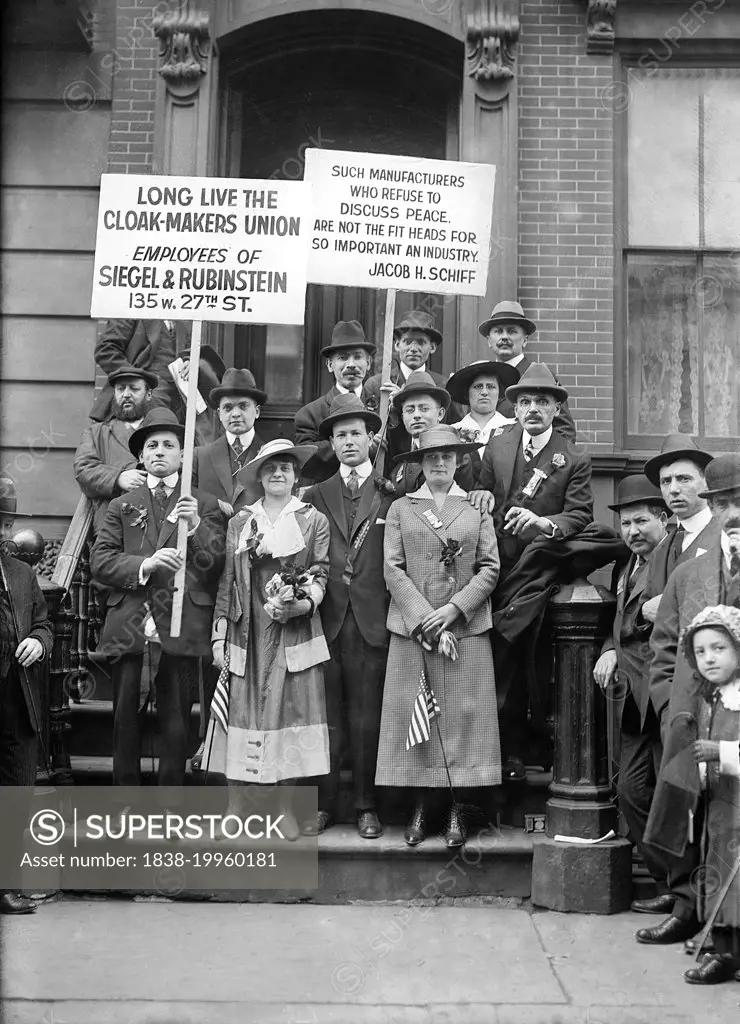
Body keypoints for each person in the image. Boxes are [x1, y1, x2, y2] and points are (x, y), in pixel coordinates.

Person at [90, 409, 226, 802]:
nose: (161, 451)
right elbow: (101, 561)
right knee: (125, 720)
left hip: (182, 625)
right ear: (142, 456)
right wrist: (144, 565)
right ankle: (125, 803)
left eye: (169, 445)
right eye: (153, 445)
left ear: (183, 456)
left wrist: (198, 527)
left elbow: (216, 565)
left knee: (176, 722)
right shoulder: (122, 505)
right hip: (131, 625)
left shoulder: (202, 504)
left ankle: (170, 806)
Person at [375, 425, 502, 848]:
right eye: (431, 458)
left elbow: (489, 567)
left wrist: (453, 610)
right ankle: (420, 807)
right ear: (419, 464)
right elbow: (392, 569)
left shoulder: (475, 509)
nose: (440, 463)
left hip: (464, 629)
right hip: (414, 631)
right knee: (418, 721)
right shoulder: (401, 509)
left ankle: (456, 810)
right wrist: (424, 617)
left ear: (459, 461)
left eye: (447, 456)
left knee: (464, 722)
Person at [203, 439, 331, 840]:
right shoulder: (242, 522)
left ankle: (284, 811)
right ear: (259, 475)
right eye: (271, 467)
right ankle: (236, 808)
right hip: (248, 631)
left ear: (296, 476)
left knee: (291, 718)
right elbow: (227, 580)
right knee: (240, 717)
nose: (279, 473)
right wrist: (218, 636)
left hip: (293, 632)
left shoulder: (313, 520)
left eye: (287, 468)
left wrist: (302, 604)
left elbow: (321, 572)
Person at [474, 362, 593, 780]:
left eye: (543, 401)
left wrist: (545, 523)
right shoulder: (498, 446)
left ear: (556, 408)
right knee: (501, 664)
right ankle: (506, 755)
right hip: (500, 571)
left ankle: (541, 751)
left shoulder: (573, 457)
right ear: (517, 408)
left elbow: (580, 514)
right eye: (525, 402)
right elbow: (483, 490)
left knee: (538, 664)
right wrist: (481, 496)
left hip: (543, 573)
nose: (533, 409)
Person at [641, 454, 740, 948]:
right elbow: (663, 646)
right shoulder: (690, 572)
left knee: (732, 821)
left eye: (739, 500)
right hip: (690, 717)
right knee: (686, 808)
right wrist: (668, 706)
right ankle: (686, 907)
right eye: (722, 502)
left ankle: (727, 930)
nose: (731, 512)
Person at [303, 395, 395, 839]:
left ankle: (365, 805)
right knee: (326, 717)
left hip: (372, 619)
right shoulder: (315, 495)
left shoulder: (392, 491)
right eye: (340, 435)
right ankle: (323, 803)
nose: (348, 442)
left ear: (371, 439)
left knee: (366, 717)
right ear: (332, 444)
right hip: (324, 617)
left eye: (356, 433)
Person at [593, 474, 670, 910]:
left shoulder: (672, 560)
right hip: (632, 703)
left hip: (662, 698)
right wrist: (609, 650)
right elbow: (622, 623)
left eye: (640, 521)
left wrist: (640, 615)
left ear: (662, 519)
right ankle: (671, 884)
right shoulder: (627, 564)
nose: (632, 532)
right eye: (625, 524)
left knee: (669, 795)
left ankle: (681, 892)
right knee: (633, 793)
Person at [0, 478, 53, 915]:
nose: (1, 529)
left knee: (17, 795)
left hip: (19, 702)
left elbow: (44, 623)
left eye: (5, 521)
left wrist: (39, 641)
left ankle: (7, 887)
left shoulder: (21, 573)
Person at [680, 605, 740, 985]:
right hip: (721, 805)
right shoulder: (713, 697)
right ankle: (725, 947)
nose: (709, 658)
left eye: (718, 648)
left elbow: (721, 747)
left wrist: (721, 753)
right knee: (719, 871)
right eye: (701, 652)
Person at [640, 434, 717, 628]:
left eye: (684, 479)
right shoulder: (661, 549)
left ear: (706, 482)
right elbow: (645, 606)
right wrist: (643, 611)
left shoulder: (726, 537)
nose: (673, 489)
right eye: (666, 481)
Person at [74, 365, 159, 532]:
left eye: (134, 388)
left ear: (148, 394)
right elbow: (83, 469)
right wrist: (118, 478)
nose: (126, 394)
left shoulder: (162, 432)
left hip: (156, 526)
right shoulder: (96, 432)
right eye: (121, 389)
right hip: (111, 528)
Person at [295, 320, 381, 483]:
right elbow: (306, 458)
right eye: (343, 358)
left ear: (368, 363)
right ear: (329, 364)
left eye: (357, 357)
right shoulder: (309, 415)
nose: (351, 364)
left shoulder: (384, 408)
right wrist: (361, 444)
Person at [477, 300, 576, 440]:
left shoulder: (542, 376)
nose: (504, 337)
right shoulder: (483, 379)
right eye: (498, 331)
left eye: (511, 331)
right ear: (489, 340)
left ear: (525, 339)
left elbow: (564, 431)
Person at [192, 368, 268, 518]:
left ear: (257, 411)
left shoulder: (269, 454)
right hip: (210, 537)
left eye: (243, 406)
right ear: (219, 414)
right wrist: (214, 502)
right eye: (228, 408)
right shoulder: (200, 456)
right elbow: (187, 495)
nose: (235, 414)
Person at [388, 371, 474, 497]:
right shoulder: (401, 465)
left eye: (424, 409)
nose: (416, 415)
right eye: (410, 410)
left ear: (440, 414)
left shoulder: (457, 458)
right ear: (403, 417)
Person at [366, 309, 461, 422]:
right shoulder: (378, 385)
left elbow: (454, 430)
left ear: (433, 347)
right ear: (397, 345)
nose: (414, 349)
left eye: (421, 342)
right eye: (407, 341)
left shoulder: (443, 386)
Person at [445, 359, 520, 488]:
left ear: (499, 392)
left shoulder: (515, 428)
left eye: (491, 387)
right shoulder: (452, 432)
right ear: (467, 393)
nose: (484, 392)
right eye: (478, 386)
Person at [89, 319, 179, 422]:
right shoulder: (133, 309)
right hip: (149, 391)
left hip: (182, 396)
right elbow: (106, 351)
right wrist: (135, 377)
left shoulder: (190, 315)